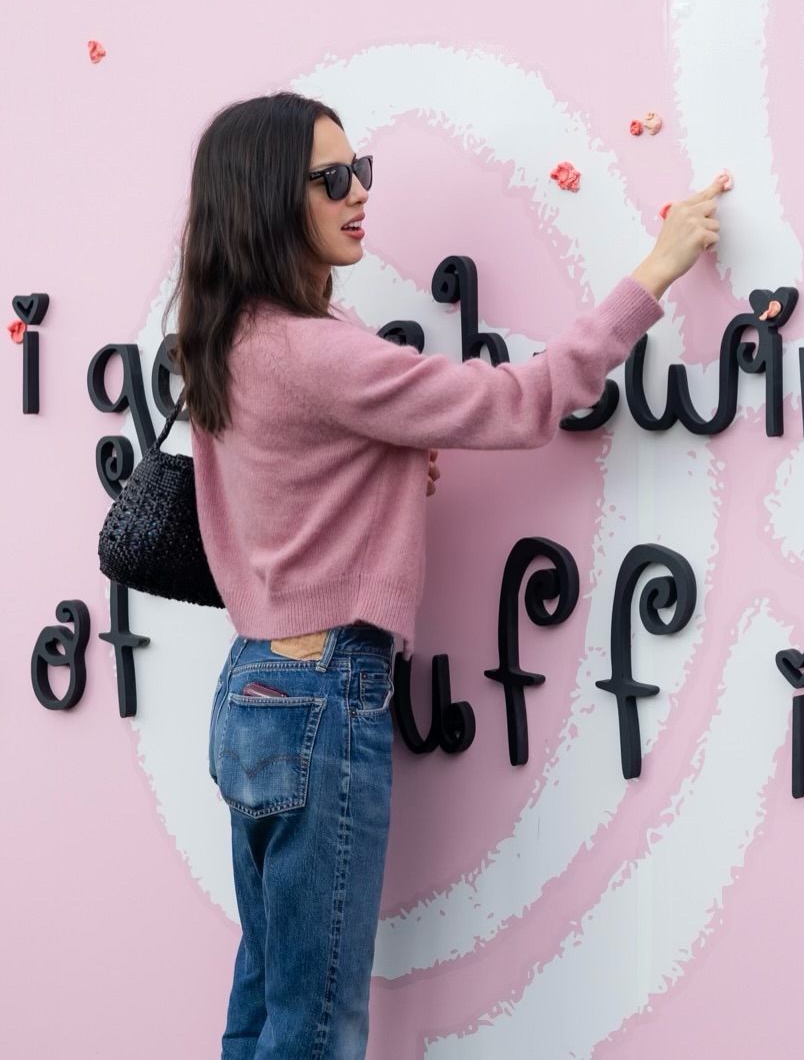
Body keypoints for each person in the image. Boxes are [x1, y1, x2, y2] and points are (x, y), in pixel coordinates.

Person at [167, 91, 724, 1059]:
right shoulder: (315, 350)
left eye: (360, 170)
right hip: (318, 694)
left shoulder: (235, 338)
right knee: (318, 1020)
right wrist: (657, 267)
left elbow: (293, 476)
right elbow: (524, 401)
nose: (357, 195)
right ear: (265, 198)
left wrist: (385, 461)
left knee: (264, 1001)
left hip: (256, 686)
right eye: (330, 178)